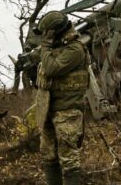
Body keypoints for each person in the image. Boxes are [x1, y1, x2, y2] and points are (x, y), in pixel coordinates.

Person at [34, 11, 89, 185]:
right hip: (49, 109)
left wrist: (45, 45)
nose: (44, 37)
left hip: (67, 111)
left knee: (69, 159)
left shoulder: (75, 49)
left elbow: (51, 69)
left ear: (55, 32)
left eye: (47, 33)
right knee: (48, 155)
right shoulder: (57, 48)